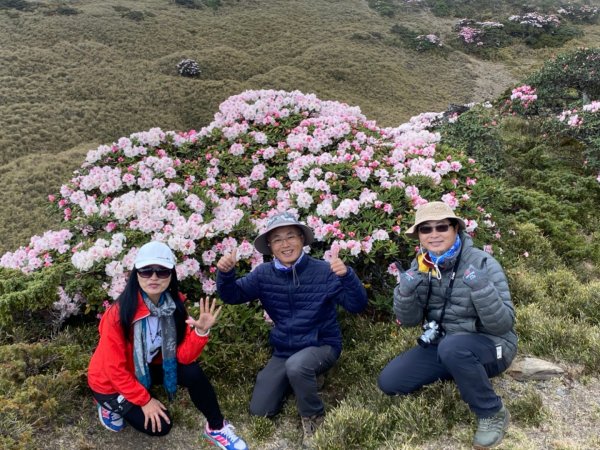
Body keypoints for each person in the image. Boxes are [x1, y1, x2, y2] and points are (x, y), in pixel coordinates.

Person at [216, 212, 368, 446]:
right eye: (277, 239)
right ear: (270, 246)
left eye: (291, 236)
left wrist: (347, 275)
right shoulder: (263, 274)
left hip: (322, 344)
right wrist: (226, 274)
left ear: (302, 240)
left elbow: (357, 305)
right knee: (261, 410)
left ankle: (313, 416)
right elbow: (232, 295)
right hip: (285, 349)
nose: (285, 244)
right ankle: (305, 377)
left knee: (298, 366)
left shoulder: (323, 271)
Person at [377, 202, 517, 450]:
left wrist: (482, 289)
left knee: (454, 348)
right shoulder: (421, 265)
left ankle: (492, 412)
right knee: (390, 382)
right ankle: (461, 369)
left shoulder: (483, 263)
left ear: (455, 229)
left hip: (493, 346)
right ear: (419, 235)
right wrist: (405, 293)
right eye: (425, 229)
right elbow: (409, 321)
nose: (434, 234)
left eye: (442, 227)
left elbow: (503, 324)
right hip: (443, 345)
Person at [87, 241, 248, 450]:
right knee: (161, 427)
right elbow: (114, 369)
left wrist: (200, 332)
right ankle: (107, 405)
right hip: (108, 381)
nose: (154, 277)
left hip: (144, 368)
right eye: (146, 271)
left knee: (192, 372)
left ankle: (216, 427)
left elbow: (182, 357)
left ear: (171, 275)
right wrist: (145, 401)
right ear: (136, 274)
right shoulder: (118, 315)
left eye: (162, 272)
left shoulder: (173, 305)